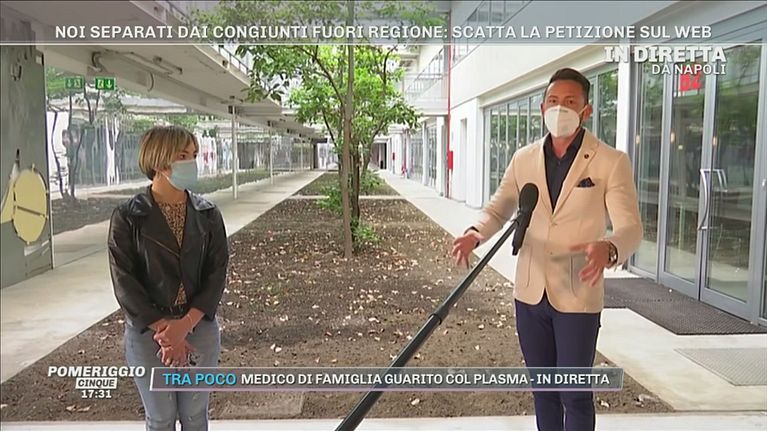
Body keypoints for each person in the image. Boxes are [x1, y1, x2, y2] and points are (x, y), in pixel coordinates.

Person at [452, 68, 642, 431]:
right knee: (544, 391)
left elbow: (631, 228)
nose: (560, 108)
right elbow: (498, 208)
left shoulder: (610, 161)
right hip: (529, 292)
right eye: (553, 101)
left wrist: (610, 248)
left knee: (574, 394)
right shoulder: (523, 159)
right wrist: (475, 233)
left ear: (586, 110)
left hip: (577, 295)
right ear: (542, 108)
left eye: (570, 102)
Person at [108, 125, 229, 431]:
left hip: (199, 329)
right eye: (183, 155)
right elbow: (124, 282)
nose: (192, 162)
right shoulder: (128, 217)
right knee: (160, 418)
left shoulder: (208, 214)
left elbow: (216, 275)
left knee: (195, 417)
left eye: (194, 155)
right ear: (160, 161)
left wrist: (185, 325)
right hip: (149, 336)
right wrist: (166, 331)